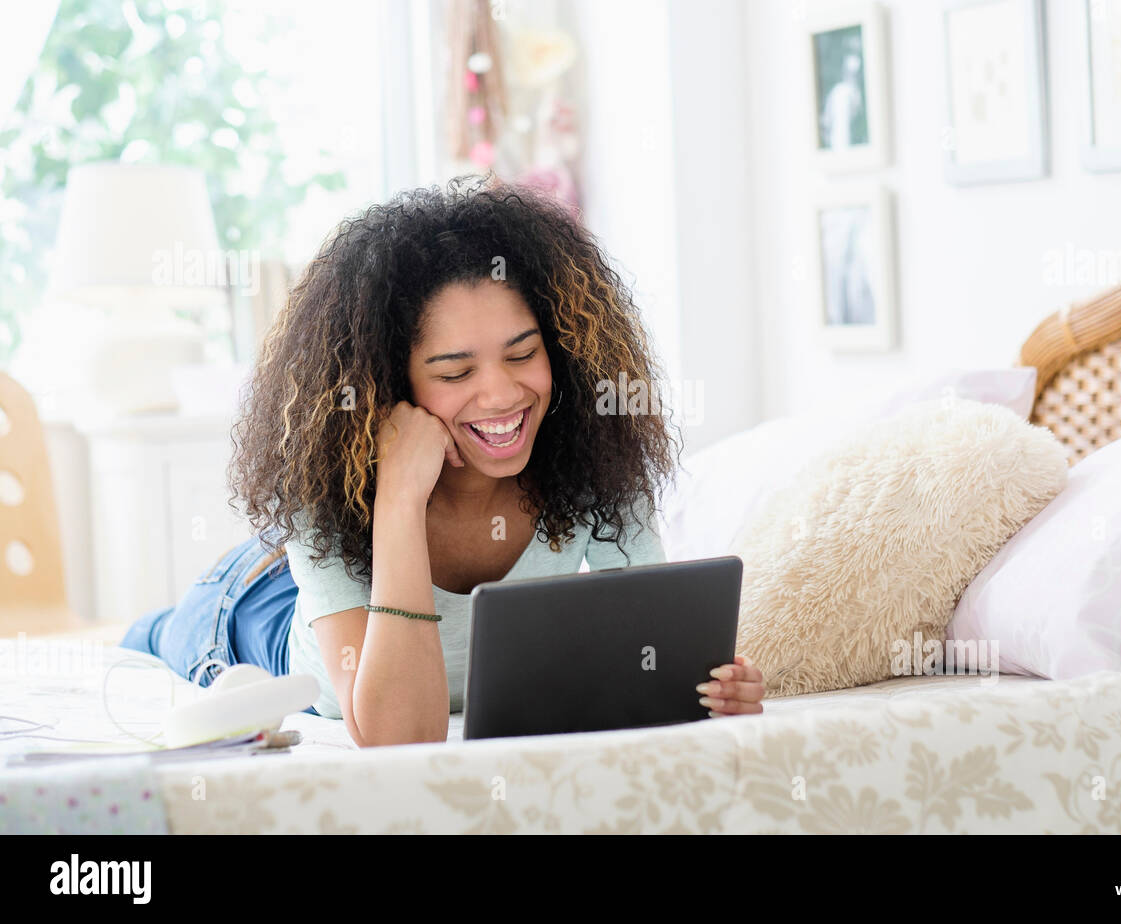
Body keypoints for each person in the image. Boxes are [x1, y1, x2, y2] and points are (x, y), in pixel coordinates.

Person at [120, 176, 764, 746]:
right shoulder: (327, 495)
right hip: (249, 609)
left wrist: (711, 691)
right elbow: (400, 739)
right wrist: (398, 496)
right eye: (455, 370)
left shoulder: (594, 460)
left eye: (521, 355)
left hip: (322, 586)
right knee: (149, 639)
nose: (503, 395)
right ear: (390, 387)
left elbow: (652, 663)